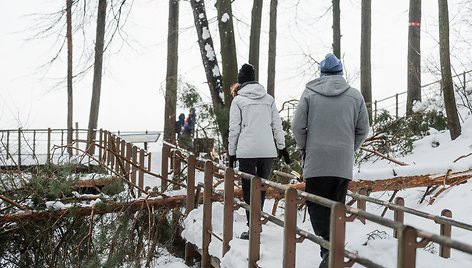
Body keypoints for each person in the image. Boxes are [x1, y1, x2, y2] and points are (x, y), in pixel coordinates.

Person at [291, 53, 370, 267]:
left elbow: (297, 126)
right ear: (340, 72)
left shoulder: (309, 93)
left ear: (321, 73)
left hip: (316, 162)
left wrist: (304, 147)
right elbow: (364, 129)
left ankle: (327, 250)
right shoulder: (355, 95)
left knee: (316, 206)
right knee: (337, 207)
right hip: (342, 164)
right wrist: (349, 148)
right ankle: (332, 252)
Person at [228, 63, 291, 240]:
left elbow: (234, 130)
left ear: (241, 81)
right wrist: (282, 147)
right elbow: (277, 125)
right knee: (262, 187)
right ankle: (258, 223)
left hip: (247, 151)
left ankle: (253, 227)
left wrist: (231, 154)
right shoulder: (268, 99)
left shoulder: (238, 100)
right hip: (267, 150)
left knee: (249, 189)